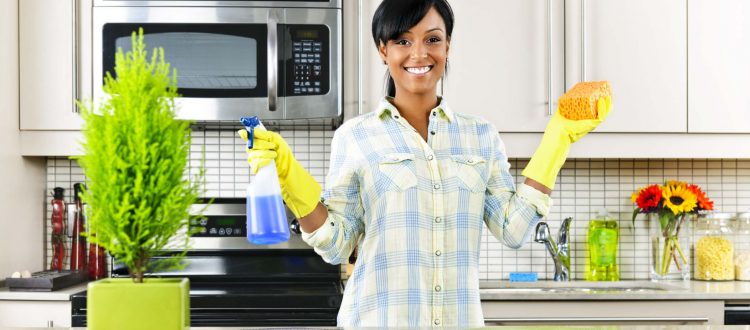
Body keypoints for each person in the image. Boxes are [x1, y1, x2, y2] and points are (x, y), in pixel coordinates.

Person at [238, 0, 611, 327]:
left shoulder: (480, 136)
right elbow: (336, 244)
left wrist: (556, 139)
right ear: (383, 50)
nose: (419, 53)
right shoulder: (356, 137)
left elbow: (513, 230)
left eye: (432, 39)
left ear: (448, 46)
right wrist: (289, 176)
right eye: (402, 40)